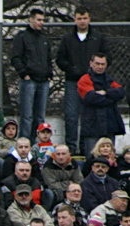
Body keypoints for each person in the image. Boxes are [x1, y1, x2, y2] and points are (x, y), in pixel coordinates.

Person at [56, 6, 109, 155]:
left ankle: (87, 149)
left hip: (92, 83)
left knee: (89, 115)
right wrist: (72, 69)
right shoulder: (67, 39)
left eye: (85, 18)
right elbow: (60, 59)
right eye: (79, 18)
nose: (82, 21)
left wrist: (95, 72)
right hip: (73, 82)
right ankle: (71, 149)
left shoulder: (98, 38)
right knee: (71, 115)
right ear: (74, 19)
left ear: (89, 18)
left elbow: (107, 57)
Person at [11, 8, 52, 139]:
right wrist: (23, 73)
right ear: (31, 19)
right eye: (39, 20)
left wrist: (49, 73)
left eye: (43, 20)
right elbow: (15, 57)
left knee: (40, 116)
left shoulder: (44, 39)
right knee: (27, 116)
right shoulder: (22, 37)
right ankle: (25, 144)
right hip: (29, 80)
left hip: (43, 80)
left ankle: (38, 145)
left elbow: (48, 58)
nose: (41, 23)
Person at [77, 53, 125, 157]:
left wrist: (105, 93)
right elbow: (91, 98)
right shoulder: (84, 79)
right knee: (92, 157)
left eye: (103, 64)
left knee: (110, 157)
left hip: (109, 124)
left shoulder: (109, 79)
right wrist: (111, 97)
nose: (100, 66)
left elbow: (121, 92)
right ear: (91, 63)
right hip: (92, 125)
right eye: (97, 63)